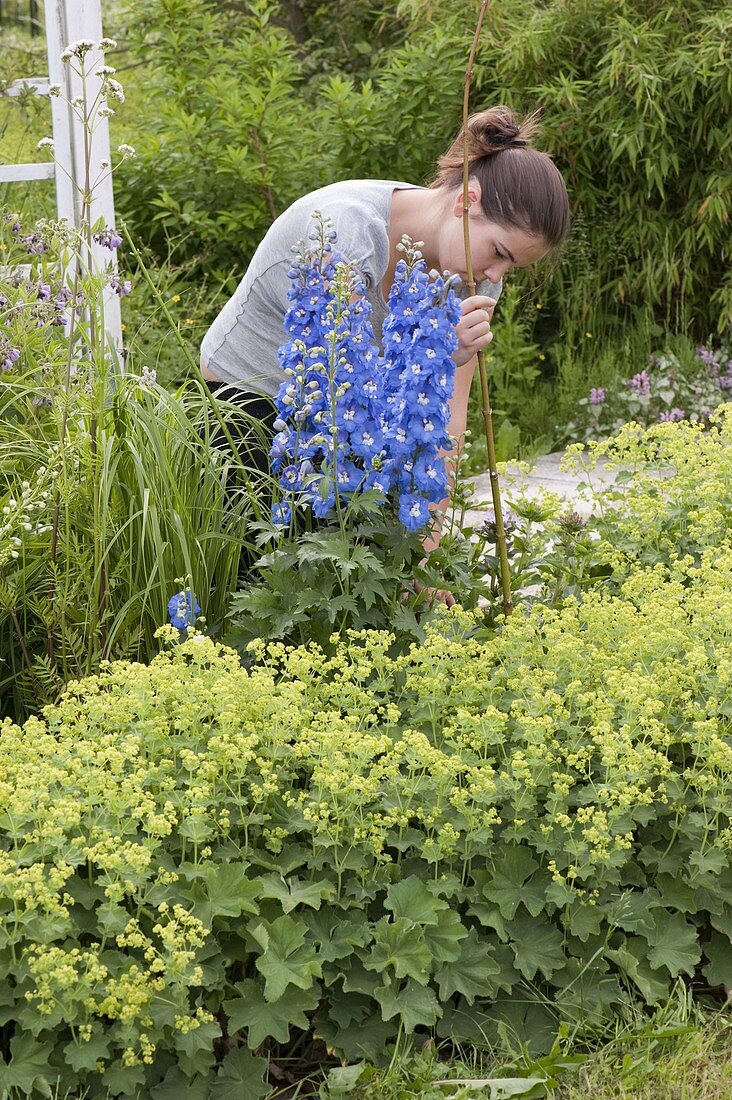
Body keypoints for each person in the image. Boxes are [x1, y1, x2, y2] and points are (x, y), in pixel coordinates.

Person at [200, 104, 570, 538]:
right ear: (468, 202)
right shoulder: (347, 229)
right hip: (247, 414)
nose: (495, 278)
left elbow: (448, 415)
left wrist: (425, 548)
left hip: (354, 433)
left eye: (511, 269)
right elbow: (346, 377)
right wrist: (437, 357)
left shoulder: (472, 282)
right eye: (500, 254)